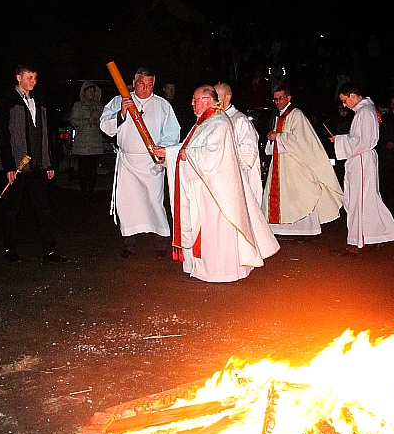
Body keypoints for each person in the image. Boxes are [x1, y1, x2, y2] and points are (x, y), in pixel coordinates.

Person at [155, 85, 279, 282]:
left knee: (217, 231)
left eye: (195, 100)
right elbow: (191, 147)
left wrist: (176, 153)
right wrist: (168, 151)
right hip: (206, 188)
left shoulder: (219, 122)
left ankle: (220, 271)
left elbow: (210, 156)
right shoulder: (204, 122)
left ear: (206, 100)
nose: (192, 104)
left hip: (218, 192)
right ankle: (203, 267)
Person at [99, 67, 182, 258]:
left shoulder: (162, 105)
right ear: (134, 83)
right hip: (128, 162)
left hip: (151, 163)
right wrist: (122, 114)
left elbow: (172, 133)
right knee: (127, 204)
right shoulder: (121, 101)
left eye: (150, 84)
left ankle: (161, 244)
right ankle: (129, 244)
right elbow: (105, 126)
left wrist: (162, 151)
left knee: (154, 201)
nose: (145, 88)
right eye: (142, 84)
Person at [0, 63, 68, 264]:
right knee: (12, 209)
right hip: (17, 166)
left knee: (43, 209)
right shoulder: (7, 101)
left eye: (35, 78)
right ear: (18, 77)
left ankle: (49, 252)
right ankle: (10, 249)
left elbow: (46, 134)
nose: (33, 82)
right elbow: (2, 135)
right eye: (29, 77)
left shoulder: (40, 100)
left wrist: (49, 162)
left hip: (37, 165)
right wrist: (9, 165)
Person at [329, 83, 394, 255]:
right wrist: (342, 139)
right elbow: (359, 137)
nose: (344, 105)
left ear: (353, 95)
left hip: (362, 160)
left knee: (359, 201)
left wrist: (341, 140)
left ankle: (356, 242)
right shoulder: (364, 111)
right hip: (360, 159)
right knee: (364, 200)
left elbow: (364, 141)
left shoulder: (365, 112)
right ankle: (378, 234)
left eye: (344, 100)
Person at [262, 83, 343, 236]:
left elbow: (301, 139)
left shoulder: (296, 114)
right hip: (281, 164)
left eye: (281, 98)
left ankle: (307, 230)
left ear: (289, 98)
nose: (278, 102)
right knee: (285, 197)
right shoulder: (277, 117)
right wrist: (272, 138)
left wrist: (278, 137)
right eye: (275, 99)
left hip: (295, 164)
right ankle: (280, 229)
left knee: (302, 196)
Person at [215, 81, 263, 206]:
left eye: (217, 96)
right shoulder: (213, 119)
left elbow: (249, 152)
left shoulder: (240, 120)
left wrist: (227, 166)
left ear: (228, 97)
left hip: (236, 178)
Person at [69, 81, 105, 200]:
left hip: (95, 141)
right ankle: (83, 192)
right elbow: (73, 121)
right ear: (84, 92)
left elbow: (105, 121)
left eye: (93, 91)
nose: (91, 93)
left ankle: (91, 192)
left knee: (93, 169)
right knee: (83, 169)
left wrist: (97, 121)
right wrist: (86, 122)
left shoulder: (99, 106)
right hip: (82, 142)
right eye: (89, 91)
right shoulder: (78, 105)